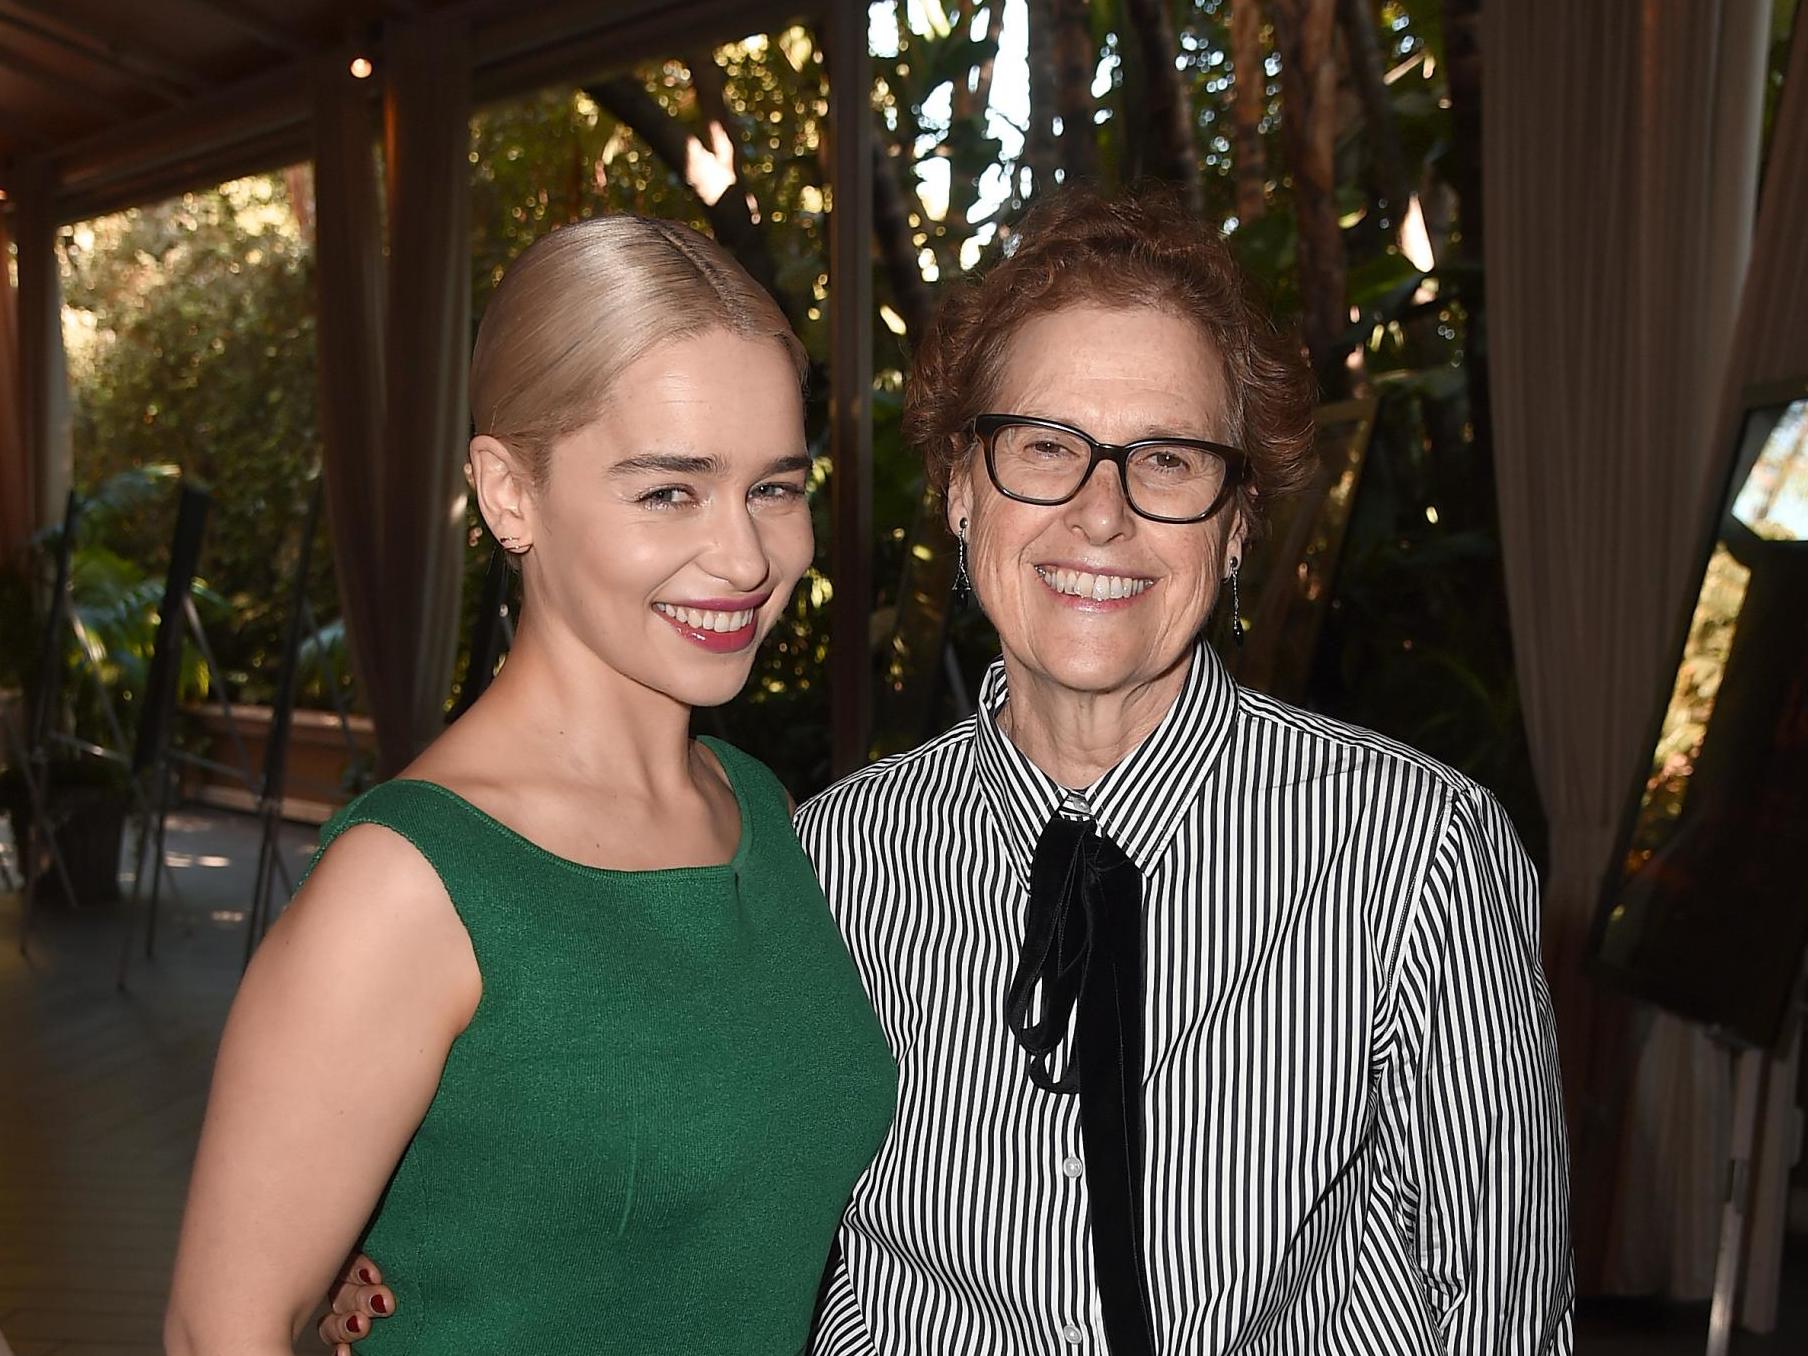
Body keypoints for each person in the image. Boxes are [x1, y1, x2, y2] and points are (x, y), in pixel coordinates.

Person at [322, 185, 1576, 1354]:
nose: (1102, 514)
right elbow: (634, 1146)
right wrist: (377, 1253)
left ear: (1236, 522)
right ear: (962, 490)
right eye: (1042, 447)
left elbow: (1509, 1314)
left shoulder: (1420, 858)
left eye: (1169, 460)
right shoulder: (827, 857)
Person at [162, 215, 897, 1355]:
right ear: (509, 495)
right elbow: (222, 1330)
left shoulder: (758, 809)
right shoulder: (407, 886)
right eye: (669, 492)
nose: (747, 559)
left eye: (774, 488)